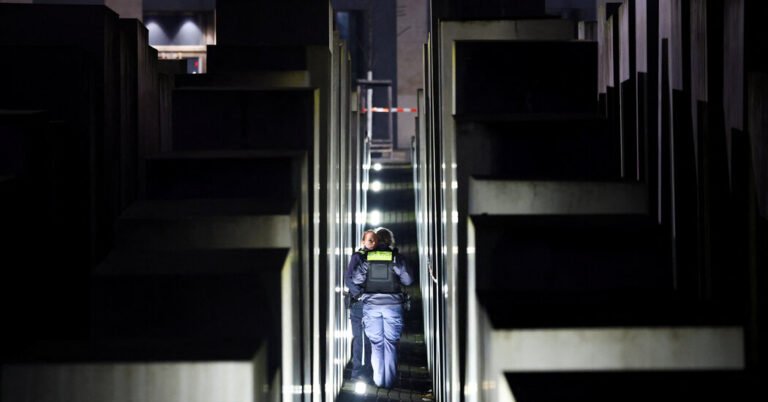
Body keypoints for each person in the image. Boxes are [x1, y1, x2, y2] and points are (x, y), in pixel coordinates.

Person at [351, 227, 413, 389]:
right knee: (390, 344)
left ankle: (379, 381)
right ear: (391, 241)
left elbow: (356, 279)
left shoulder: (367, 257)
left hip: (371, 306)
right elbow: (407, 280)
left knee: (377, 344)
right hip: (393, 306)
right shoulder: (395, 257)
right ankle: (389, 381)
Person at [344, 229, 377, 383]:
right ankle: (357, 372)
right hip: (359, 303)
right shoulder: (357, 257)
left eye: (375, 240)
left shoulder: (379, 257)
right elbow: (348, 279)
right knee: (358, 339)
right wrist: (359, 294)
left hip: (372, 304)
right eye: (369, 240)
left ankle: (368, 372)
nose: (373, 243)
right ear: (363, 242)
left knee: (370, 339)